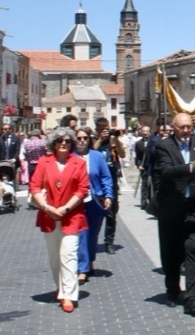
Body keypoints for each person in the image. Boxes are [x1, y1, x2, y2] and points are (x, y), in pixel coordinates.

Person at [153, 112, 195, 314]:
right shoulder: (163, 146)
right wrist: (193, 166)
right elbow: (166, 172)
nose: (186, 130)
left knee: (191, 246)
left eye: (189, 127)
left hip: (194, 206)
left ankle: (193, 296)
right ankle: (172, 290)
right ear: (173, 127)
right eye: (182, 127)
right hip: (171, 207)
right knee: (171, 251)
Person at [29, 127, 89, 313]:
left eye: (67, 141)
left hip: (72, 216)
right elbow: (34, 186)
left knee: (69, 255)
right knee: (55, 256)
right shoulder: (44, 162)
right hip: (49, 215)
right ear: (53, 143)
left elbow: (82, 189)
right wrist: (46, 207)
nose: (63, 144)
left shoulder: (79, 163)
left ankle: (68, 294)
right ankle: (60, 286)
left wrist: (65, 208)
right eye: (59, 141)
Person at [74, 128, 113, 284]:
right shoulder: (70, 157)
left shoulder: (96, 156)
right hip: (76, 201)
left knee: (92, 233)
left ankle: (89, 260)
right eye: (79, 138)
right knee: (81, 233)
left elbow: (106, 177)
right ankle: (82, 268)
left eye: (85, 138)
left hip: (95, 200)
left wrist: (108, 195)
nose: (82, 141)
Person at [93, 117, 125, 254]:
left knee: (112, 214)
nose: (105, 132)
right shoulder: (93, 140)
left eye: (107, 129)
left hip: (111, 180)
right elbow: (90, 153)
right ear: (97, 129)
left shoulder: (112, 142)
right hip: (97, 181)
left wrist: (116, 141)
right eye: (102, 129)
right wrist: (100, 139)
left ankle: (109, 243)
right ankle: (93, 240)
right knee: (97, 215)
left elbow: (123, 154)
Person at [134, 125, 151, 210]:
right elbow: (137, 157)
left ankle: (151, 202)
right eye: (144, 131)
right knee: (144, 184)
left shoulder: (153, 142)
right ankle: (143, 202)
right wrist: (139, 165)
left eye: (147, 131)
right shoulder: (138, 143)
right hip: (144, 166)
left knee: (151, 184)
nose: (145, 133)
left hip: (152, 166)